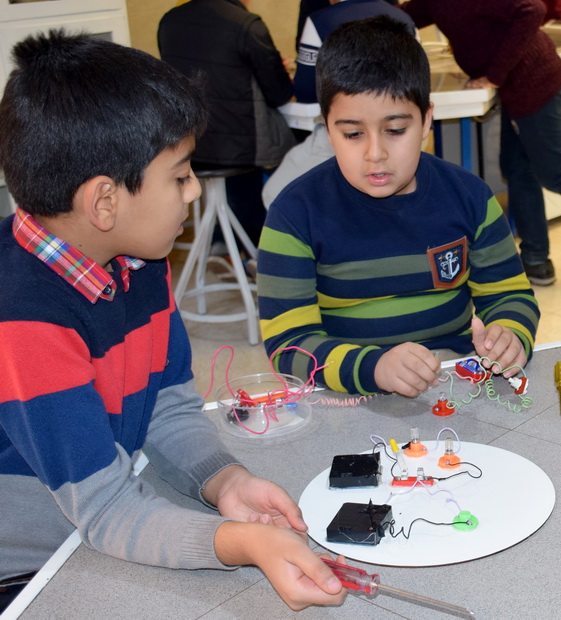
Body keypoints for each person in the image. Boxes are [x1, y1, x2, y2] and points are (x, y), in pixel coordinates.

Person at [0, 31, 346, 611]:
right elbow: (107, 511)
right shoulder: (26, 321)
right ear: (104, 202)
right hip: (32, 575)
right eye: (181, 175)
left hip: (88, 533)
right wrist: (240, 543)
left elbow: (167, 402)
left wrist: (226, 481)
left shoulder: (138, 256)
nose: (192, 192)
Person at [258, 16, 540, 398]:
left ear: (426, 119)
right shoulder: (294, 214)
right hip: (344, 391)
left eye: (395, 130)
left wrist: (510, 332)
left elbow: (511, 296)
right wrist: (373, 368)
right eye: (353, 134)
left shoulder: (470, 197)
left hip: (451, 383)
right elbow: (289, 344)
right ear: (327, 127)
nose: (376, 154)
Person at [400, 0, 561, 286]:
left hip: (535, 82)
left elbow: (533, 10)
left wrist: (495, 74)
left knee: (557, 172)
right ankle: (536, 260)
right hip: (515, 89)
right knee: (517, 169)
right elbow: (405, 16)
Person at [158, 0, 295, 248]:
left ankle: (222, 242)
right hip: (239, 146)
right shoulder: (247, 25)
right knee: (294, 149)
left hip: (188, 142)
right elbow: (279, 93)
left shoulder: (169, 21)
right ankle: (258, 246)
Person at [294, 0, 416, 104]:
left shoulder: (319, 22)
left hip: (347, 121)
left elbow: (305, 90)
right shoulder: (404, 18)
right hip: (396, 117)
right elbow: (418, 80)